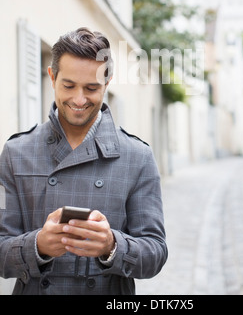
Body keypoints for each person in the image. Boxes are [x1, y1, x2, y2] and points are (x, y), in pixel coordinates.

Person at [0, 27, 167, 295]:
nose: (79, 99)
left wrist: (112, 245)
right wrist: (38, 245)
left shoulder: (138, 156)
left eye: (91, 88)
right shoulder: (15, 152)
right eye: (69, 86)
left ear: (107, 83)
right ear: (52, 77)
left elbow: (156, 253)